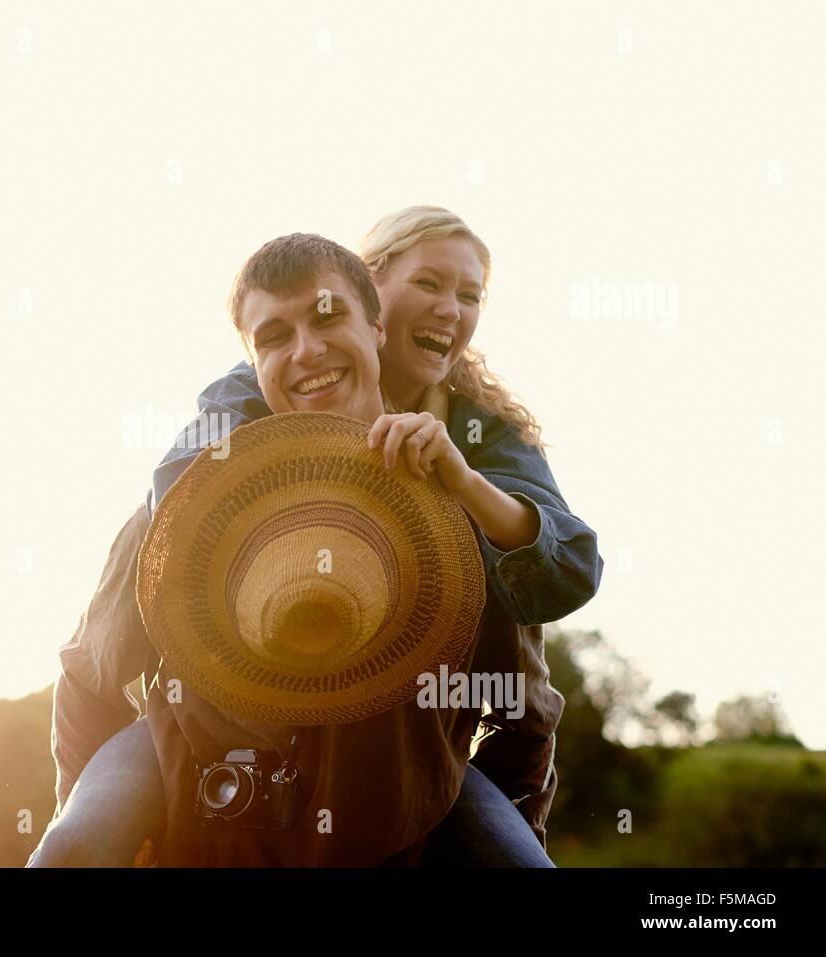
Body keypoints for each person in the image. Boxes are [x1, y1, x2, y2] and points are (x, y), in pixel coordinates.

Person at [31, 210, 602, 865]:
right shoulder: (217, 454)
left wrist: (512, 825)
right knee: (72, 848)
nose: (306, 350)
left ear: (373, 324)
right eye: (276, 336)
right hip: (196, 747)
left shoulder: (466, 484)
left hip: (403, 761)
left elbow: (526, 687)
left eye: (469, 294)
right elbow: (93, 664)